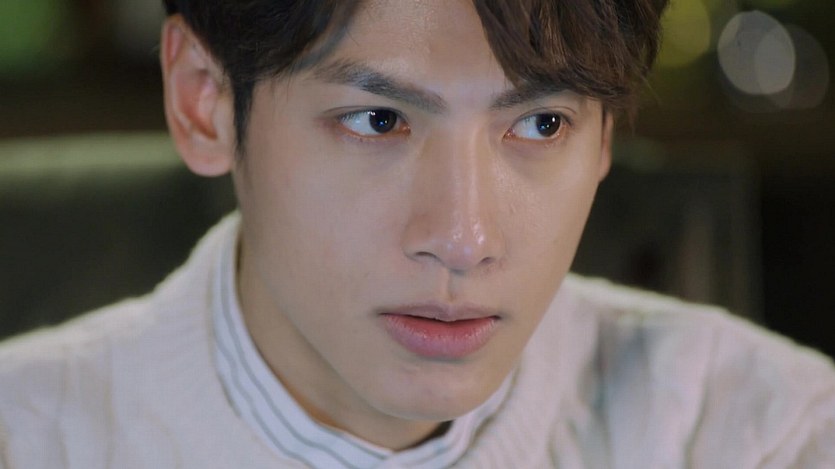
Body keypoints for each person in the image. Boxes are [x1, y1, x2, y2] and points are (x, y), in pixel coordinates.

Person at [1, 0, 833, 467]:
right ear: (203, 101)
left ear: (607, 131)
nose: (463, 238)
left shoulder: (766, 432)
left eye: (540, 123)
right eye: (377, 119)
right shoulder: (28, 436)